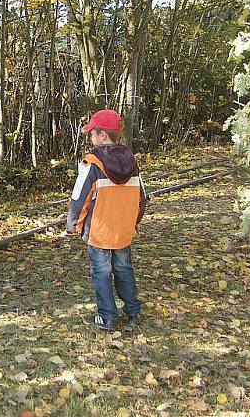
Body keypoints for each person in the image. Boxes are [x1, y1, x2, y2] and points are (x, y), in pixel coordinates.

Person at [67, 109, 147, 332]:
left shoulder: (92, 163)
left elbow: (80, 198)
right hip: (123, 230)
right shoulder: (132, 163)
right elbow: (142, 198)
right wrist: (134, 223)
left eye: (92, 133)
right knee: (123, 268)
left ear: (102, 135)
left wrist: (74, 225)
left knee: (101, 272)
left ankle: (108, 317)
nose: (91, 138)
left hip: (99, 231)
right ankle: (133, 311)